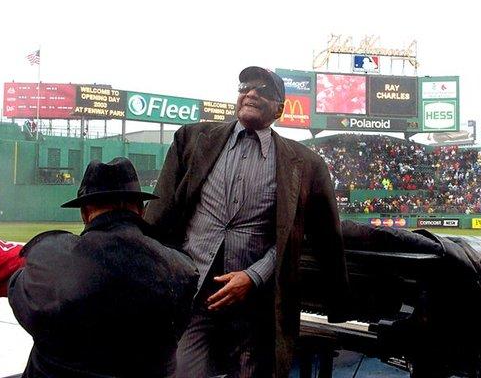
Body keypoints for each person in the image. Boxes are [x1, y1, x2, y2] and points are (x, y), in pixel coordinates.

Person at [145, 66, 350, 378]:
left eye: (264, 90)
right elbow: (159, 215)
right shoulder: (192, 139)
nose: (252, 92)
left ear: (280, 108)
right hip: (193, 295)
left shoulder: (306, 164)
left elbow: (311, 235)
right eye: (246, 85)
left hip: (258, 308)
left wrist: (254, 276)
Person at [8, 157, 199, 378]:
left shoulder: (50, 259)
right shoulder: (181, 270)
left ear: (85, 213)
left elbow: (20, 297)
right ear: (141, 210)